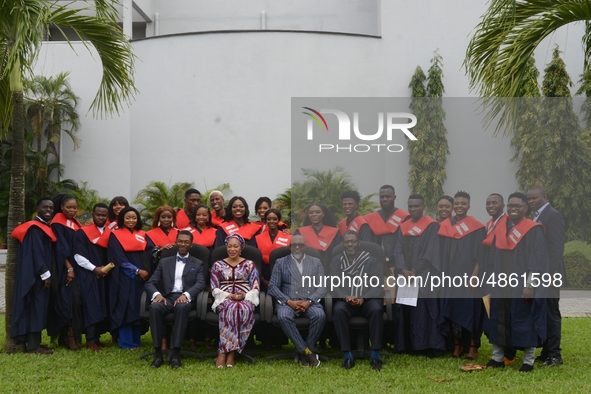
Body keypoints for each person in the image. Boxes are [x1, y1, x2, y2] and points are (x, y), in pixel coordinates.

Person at [483, 192, 549, 372]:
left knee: (524, 320)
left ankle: (528, 361)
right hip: (501, 284)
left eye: (517, 206)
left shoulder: (533, 229)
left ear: (525, 208)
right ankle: (498, 357)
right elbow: (492, 258)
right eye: (510, 206)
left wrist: (530, 285)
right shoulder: (501, 228)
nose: (513, 209)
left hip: (521, 285)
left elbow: (538, 260)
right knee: (498, 319)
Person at [144, 230, 206, 369]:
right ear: (176, 243)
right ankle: (158, 353)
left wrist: (186, 295)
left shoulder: (198, 263)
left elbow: (201, 283)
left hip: (185, 298)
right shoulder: (165, 262)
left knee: (182, 307)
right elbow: (150, 282)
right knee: (154, 307)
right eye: (180, 241)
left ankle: (176, 354)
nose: (183, 244)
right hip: (166, 297)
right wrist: (156, 295)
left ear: (191, 245)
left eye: (186, 242)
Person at [395, 194, 446, 356]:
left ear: (423, 206)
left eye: (417, 206)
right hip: (405, 274)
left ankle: (429, 345)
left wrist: (415, 270)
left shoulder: (431, 225)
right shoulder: (403, 226)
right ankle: (407, 344)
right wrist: (403, 269)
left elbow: (431, 251)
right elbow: (397, 250)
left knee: (424, 309)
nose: (413, 209)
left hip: (425, 274)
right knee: (406, 307)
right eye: (410, 206)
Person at [438, 191, 485, 360]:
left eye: (463, 203)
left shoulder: (477, 227)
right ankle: (457, 346)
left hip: (468, 276)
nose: (459, 206)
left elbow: (481, 255)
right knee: (453, 309)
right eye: (456, 203)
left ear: (469, 206)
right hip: (450, 276)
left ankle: (473, 347)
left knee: (471, 311)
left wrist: (475, 276)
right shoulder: (446, 225)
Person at [268, 235, 326, 367]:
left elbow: (323, 286)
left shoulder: (315, 262)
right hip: (288, 301)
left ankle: (305, 351)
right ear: (290, 247)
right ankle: (308, 353)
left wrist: (309, 302)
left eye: (300, 244)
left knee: (320, 315)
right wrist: (288, 301)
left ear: (305, 246)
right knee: (283, 317)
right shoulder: (281, 262)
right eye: (294, 245)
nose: (297, 247)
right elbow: (272, 287)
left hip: (309, 301)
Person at [330, 230, 385, 371]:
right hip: (346, 300)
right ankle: (347, 355)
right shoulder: (337, 260)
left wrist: (363, 298)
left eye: (353, 241)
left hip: (367, 299)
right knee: (338, 310)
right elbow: (334, 284)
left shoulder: (370, 259)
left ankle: (375, 355)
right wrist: (346, 297)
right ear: (342, 244)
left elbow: (377, 284)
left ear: (358, 243)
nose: (350, 244)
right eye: (347, 241)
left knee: (376, 310)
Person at [10, 197, 56, 354]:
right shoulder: (35, 228)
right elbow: (35, 253)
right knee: (35, 307)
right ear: (38, 209)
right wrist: (45, 275)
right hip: (35, 276)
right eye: (45, 207)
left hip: (38, 275)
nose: (48, 210)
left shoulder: (43, 226)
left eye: (51, 208)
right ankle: (33, 347)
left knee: (39, 308)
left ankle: (35, 343)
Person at [527, 186, 565, 367]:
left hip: (550, 274)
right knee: (543, 311)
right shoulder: (535, 216)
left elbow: (556, 249)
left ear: (545, 196)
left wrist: (551, 276)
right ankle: (547, 351)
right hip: (540, 273)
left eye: (534, 198)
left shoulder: (553, 215)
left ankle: (555, 355)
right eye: (529, 199)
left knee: (551, 313)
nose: (531, 201)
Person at [108, 206, 155, 349]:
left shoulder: (143, 234)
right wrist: (136, 271)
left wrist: (147, 270)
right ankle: (126, 342)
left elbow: (151, 252)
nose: (131, 220)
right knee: (126, 306)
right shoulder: (115, 235)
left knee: (137, 307)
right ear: (122, 219)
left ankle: (136, 340)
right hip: (125, 278)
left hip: (143, 278)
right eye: (127, 217)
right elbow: (118, 258)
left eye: (134, 218)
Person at [210, 234, 260, 368]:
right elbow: (214, 287)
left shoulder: (249, 264)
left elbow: (255, 286)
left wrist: (244, 295)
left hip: (245, 296)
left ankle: (230, 353)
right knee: (231, 308)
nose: (232, 249)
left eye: (235, 246)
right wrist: (228, 295)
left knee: (242, 309)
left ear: (241, 248)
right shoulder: (218, 265)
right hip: (224, 297)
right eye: (229, 246)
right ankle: (224, 352)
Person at [73, 203, 112, 351]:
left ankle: (97, 337)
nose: (101, 217)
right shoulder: (82, 233)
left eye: (104, 215)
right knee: (91, 305)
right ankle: (90, 340)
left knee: (102, 304)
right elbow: (77, 255)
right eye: (98, 214)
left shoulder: (110, 233)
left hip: (106, 275)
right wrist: (95, 269)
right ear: (93, 214)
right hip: (88, 275)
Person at [48, 194, 83, 351]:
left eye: (74, 208)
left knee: (74, 300)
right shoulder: (57, 223)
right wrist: (69, 268)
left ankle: (66, 336)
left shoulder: (74, 223)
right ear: (61, 207)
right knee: (69, 300)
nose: (72, 210)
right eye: (69, 207)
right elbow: (61, 249)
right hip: (64, 269)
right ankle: (69, 337)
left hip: (76, 267)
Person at [364, 185, 409, 271]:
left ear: (394, 197)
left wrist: (387, 260)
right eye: (382, 197)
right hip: (374, 265)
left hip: (398, 264)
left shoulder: (404, 218)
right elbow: (369, 244)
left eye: (388, 196)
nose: (385, 199)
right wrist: (379, 262)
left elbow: (403, 244)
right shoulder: (371, 218)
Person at [295, 203, 341, 272]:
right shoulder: (300, 232)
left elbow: (337, 254)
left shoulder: (335, 232)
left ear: (323, 214)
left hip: (328, 270)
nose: (314, 215)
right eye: (311, 213)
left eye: (318, 212)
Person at [255, 209, 291, 289]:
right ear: (265, 220)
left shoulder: (288, 237)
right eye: (268, 219)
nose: (271, 221)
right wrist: (263, 280)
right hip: (265, 274)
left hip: (284, 274)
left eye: (275, 219)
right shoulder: (258, 238)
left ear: (279, 220)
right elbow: (257, 260)